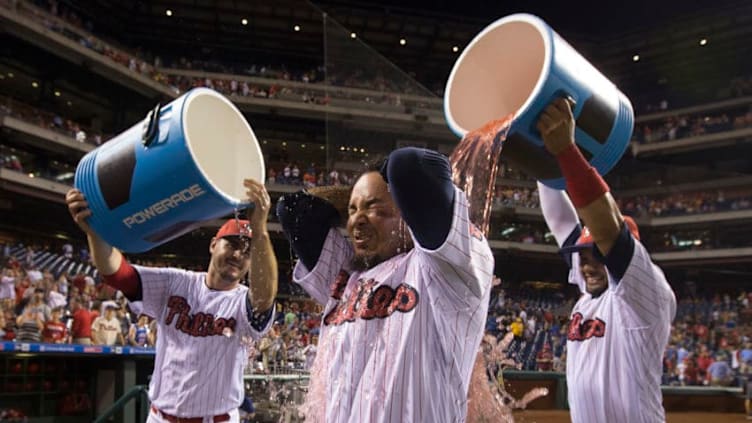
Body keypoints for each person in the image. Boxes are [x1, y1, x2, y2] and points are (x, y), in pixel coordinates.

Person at [277, 147, 494, 422]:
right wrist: (361, 197)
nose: (356, 219)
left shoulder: (439, 269)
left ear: (409, 212)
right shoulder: (345, 278)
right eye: (351, 211)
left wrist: (384, 188)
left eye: (375, 208)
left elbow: (409, 166)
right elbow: (293, 210)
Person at [65, 177, 278, 423]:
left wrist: (261, 231)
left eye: (248, 251)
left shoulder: (243, 302)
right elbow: (118, 275)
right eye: (232, 244)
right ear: (213, 245)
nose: (239, 255)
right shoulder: (175, 282)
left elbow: (264, 298)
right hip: (160, 417)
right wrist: (95, 231)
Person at [535, 98, 676, 422]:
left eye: (597, 256)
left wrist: (567, 153)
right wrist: (539, 156)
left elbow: (608, 230)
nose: (587, 265)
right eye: (583, 257)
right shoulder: (588, 291)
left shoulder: (645, 293)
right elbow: (558, 218)